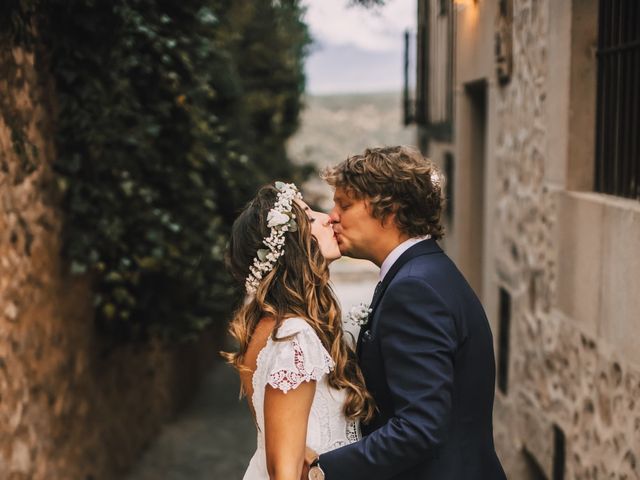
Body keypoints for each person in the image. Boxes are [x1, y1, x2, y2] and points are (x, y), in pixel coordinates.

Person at [304, 146, 506, 479]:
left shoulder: (415, 289)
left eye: (345, 203)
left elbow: (419, 427)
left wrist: (321, 469)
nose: (333, 215)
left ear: (389, 209)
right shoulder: (424, 272)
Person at [223, 182, 376, 480]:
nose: (326, 217)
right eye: (309, 215)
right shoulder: (294, 336)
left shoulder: (269, 327)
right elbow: (285, 474)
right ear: (292, 246)